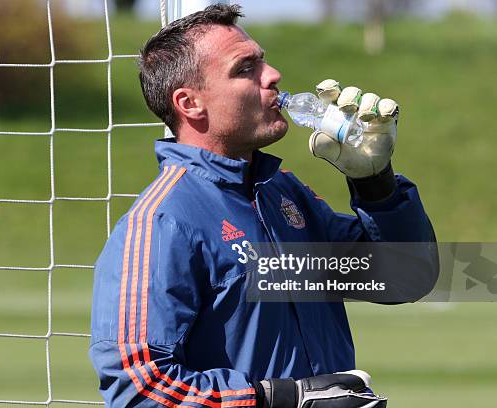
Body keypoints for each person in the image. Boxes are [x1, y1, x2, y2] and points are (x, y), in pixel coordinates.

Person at [90, 4, 437, 407]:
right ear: (189, 103)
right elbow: (139, 385)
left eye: (264, 61)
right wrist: (284, 398)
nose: (272, 76)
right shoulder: (162, 221)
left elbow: (404, 277)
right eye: (245, 69)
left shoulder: (283, 195)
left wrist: (376, 183)